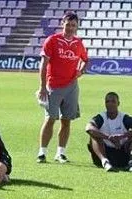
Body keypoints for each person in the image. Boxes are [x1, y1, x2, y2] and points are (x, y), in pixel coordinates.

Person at [36, 12, 88, 164]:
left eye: (73, 25)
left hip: (71, 86)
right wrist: (42, 86)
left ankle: (60, 153)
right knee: (50, 118)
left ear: (77, 26)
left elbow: (85, 60)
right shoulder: (52, 40)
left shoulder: (79, 43)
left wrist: (81, 71)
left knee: (66, 120)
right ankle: (42, 152)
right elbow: (44, 64)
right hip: (53, 85)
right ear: (62, 24)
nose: (70, 28)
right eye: (68, 24)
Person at [85, 92, 132, 172]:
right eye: (107, 101)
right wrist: (108, 137)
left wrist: (121, 136)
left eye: (113, 101)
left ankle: (131, 163)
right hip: (105, 152)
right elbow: (89, 128)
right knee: (94, 134)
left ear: (118, 103)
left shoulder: (124, 118)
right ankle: (105, 162)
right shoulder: (101, 118)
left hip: (121, 153)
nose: (110, 104)